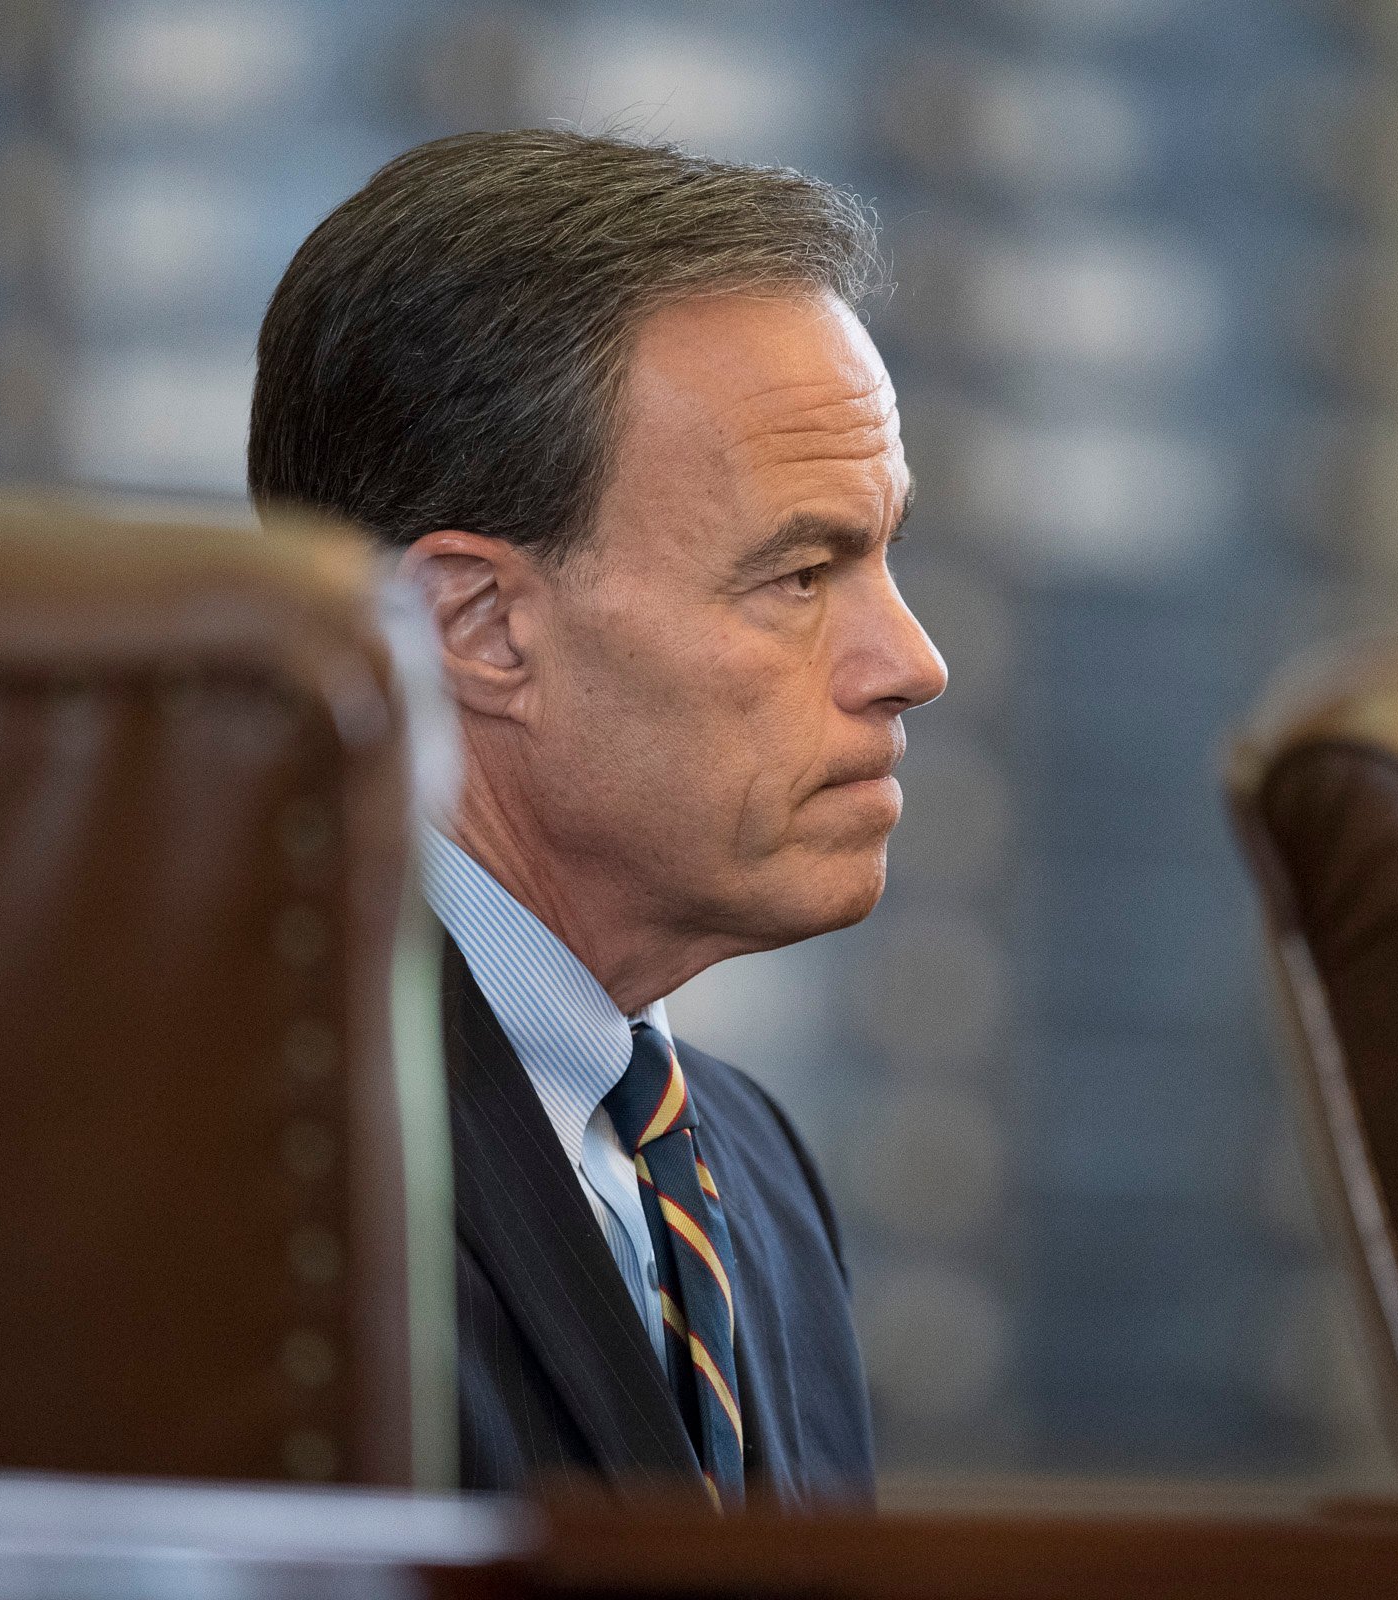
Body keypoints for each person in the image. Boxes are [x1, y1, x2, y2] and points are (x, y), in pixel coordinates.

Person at [247, 131, 946, 1510]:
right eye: (802, 575)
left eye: (884, 555)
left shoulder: (748, 1165)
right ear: (481, 627)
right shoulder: (252, 1175)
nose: (910, 660)